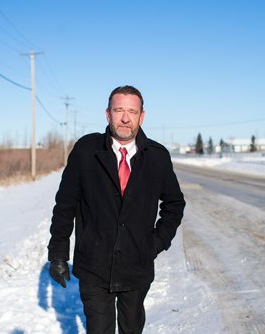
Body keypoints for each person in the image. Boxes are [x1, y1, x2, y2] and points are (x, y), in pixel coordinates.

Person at [47, 85, 185, 333]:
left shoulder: (157, 157)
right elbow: (65, 205)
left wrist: (154, 243)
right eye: (118, 109)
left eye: (131, 111)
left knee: (132, 329)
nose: (124, 118)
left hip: (136, 266)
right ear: (107, 113)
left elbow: (174, 204)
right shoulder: (86, 151)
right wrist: (58, 253)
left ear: (141, 116)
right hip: (94, 265)